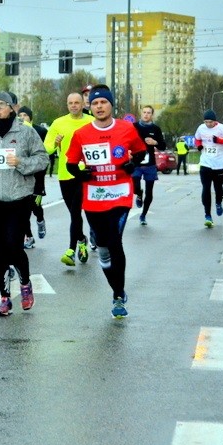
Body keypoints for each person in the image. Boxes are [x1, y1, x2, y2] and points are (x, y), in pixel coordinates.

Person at [65, 85, 146, 319]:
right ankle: (116, 287)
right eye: (95, 103)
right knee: (103, 250)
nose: (99, 107)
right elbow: (71, 164)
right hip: (94, 198)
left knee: (114, 241)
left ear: (111, 105)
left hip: (120, 193)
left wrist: (133, 165)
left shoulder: (126, 128)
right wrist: (81, 174)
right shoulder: (82, 134)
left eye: (104, 103)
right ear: (90, 107)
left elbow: (140, 152)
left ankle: (118, 295)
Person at [0, 91, 49, 317]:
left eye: (2, 104)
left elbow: (42, 159)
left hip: (19, 198)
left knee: (14, 245)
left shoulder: (25, 132)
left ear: (12, 108)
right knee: (0, 249)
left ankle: (25, 282)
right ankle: (4, 298)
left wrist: (21, 162)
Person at [45, 92, 95, 266]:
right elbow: (47, 148)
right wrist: (55, 144)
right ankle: (82, 239)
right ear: (67, 105)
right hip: (66, 174)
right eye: (70, 103)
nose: (73, 105)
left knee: (75, 212)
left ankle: (71, 250)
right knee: (74, 214)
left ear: (83, 105)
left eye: (77, 102)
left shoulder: (90, 121)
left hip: (85, 173)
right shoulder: (58, 123)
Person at [193, 109, 223, 228]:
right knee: (206, 188)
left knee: (218, 188)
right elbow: (197, 138)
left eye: (210, 122)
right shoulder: (201, 128)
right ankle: (207, 215)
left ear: (215, 121)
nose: (208, 124)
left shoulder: (222, 129)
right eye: (206, 122)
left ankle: (218, 203)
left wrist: (219, 141)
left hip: (219, 165)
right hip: (205, 163)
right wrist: (199, 145)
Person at [131, 105, 166, 226]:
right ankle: (139, 193)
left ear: (152, 115)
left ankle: (143, 215)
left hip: (150, 164)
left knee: (150, 192)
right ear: (141, 113)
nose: (146, 115)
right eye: (144, 112)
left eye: (148, 113)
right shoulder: (134, 126)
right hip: (136, 162)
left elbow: (163, 146)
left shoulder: (156, 129)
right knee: (135, 183)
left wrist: (154, 142)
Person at [19, 106, 48, 248]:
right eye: (20, 115)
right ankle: (29, 237)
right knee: (23, 211)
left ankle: (40, 220)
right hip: (21, 176)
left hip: (37, 176)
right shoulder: (15, 132)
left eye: (25, 115)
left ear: (30, 117)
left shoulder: (41, 131)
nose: (23, 117)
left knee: (35, 206)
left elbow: (45, 154)